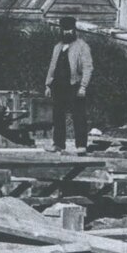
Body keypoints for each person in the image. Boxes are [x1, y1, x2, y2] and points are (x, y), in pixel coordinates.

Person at [43, 16, 95, 153]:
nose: (67, 33)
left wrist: (83, 86)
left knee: (79, 116)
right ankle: (58, 144)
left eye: (69, 30)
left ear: (74, 30)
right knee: (58, 116)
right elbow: (52, 67)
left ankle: (81, 146)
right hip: (58, 86)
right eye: (64, 30)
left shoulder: (82, 46)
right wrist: (48, 85)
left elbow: (88, 67)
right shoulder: (57, 47)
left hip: (75, 86)